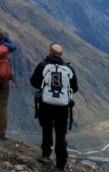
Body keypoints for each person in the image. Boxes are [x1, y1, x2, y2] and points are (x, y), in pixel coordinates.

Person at [30, 43, 79, 171]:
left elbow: (34, 82)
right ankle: (60, 163)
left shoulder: (43, 66)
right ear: (61, 54)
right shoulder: (69, 70)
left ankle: (46, 155)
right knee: (60, 134)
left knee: (46, 130)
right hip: (62, 107)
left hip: (45, 105)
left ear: (50, 52)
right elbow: (74, 88)